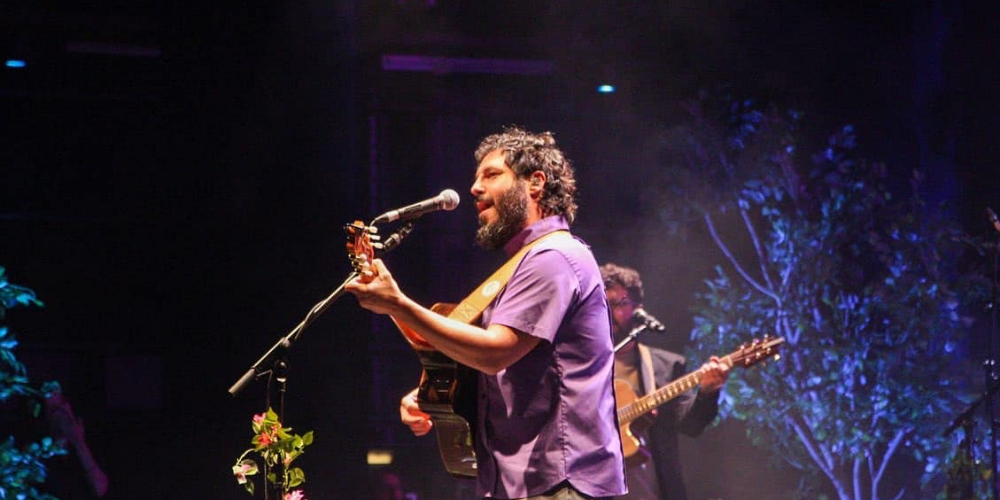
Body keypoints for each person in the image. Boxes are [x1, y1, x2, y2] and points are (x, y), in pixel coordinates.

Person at [346, 127, 627, 500]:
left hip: (560, 481)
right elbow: (491, 364)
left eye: (491, 175)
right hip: (526, 481)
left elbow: (496, 353)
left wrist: (397, 304)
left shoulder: (554, 257)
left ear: (535, 183)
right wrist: (436, 395)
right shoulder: (525, 263)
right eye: (476, 177)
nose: (474, 188)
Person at [599, 263, 730, 500]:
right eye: (602, 304)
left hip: (649, 488)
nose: (608, 312)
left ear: (638, 310)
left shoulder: (664, 366)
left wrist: (707, 393)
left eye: (618, 304)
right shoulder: (576, 365)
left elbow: (690, 425)